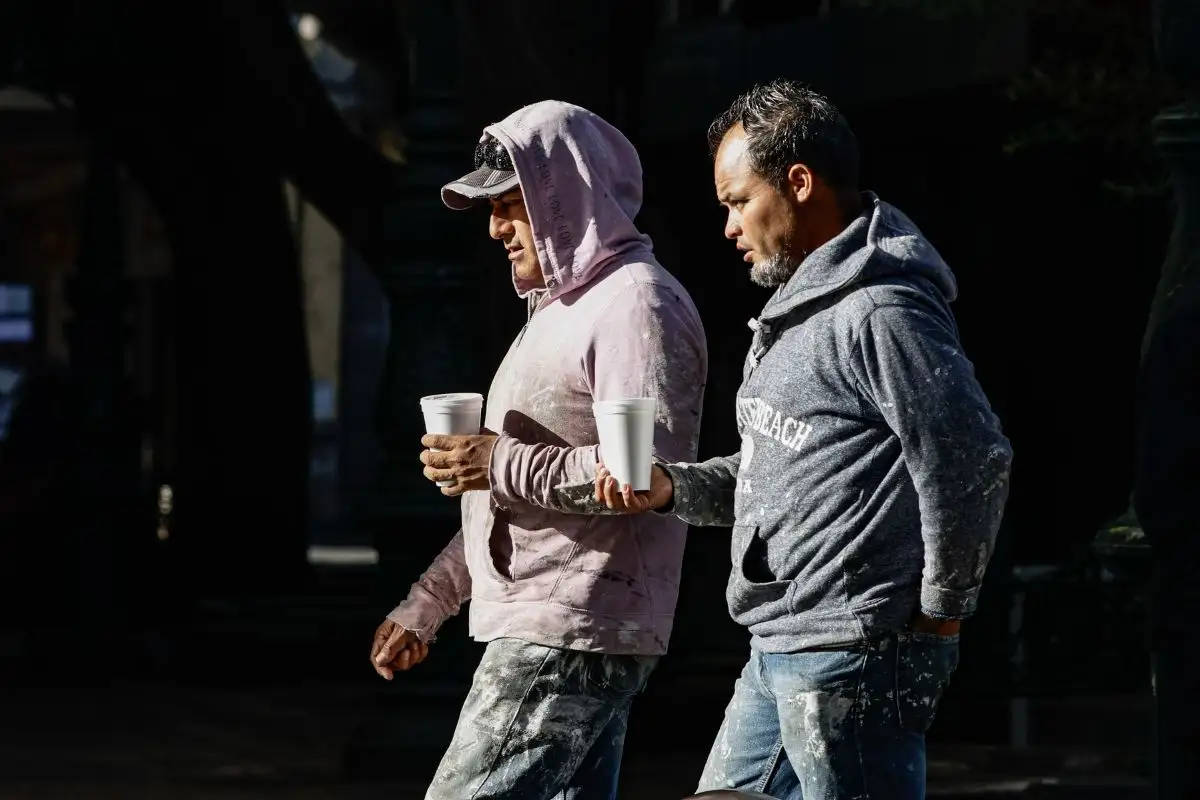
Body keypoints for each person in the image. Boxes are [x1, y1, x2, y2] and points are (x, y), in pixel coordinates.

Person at [595, 79, 1013, 800]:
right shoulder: (794, 314)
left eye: (736, 201)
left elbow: (971, 458)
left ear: (799, 181)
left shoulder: (882, 309)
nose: (728, 226)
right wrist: (671, 486)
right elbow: (772, 470)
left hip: (851, 651)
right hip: (776, 645)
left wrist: (940, 618)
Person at [368, 99, 708, 800]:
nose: (495, 229)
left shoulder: (637, 305)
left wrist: (493, 460)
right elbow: (506, 503)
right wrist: (426, 604)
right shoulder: (559, 312)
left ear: (565, 196)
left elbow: (646, 477)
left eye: (509, 206)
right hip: (556, 622)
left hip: (575, 625)